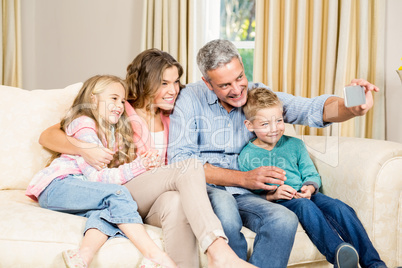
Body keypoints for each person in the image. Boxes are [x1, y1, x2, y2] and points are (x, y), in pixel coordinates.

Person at [167, 39, 380, 267]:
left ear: (242, 66)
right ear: (208, 84)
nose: (238, 90)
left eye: (240, 77)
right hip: (211, 189)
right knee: (227, 218)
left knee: (283, 219)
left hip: (250, 195)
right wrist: (243, 178)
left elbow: (309, 109)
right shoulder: (190, 99)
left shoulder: (257, 95)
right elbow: (181, 162)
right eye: (225, 85)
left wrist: (351, 107)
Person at [38, 49, 256, 268]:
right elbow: (48, 135)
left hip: (154, 198)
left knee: (175, 202)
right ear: (145, 84)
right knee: (188, 166)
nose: (173, 90)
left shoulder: (175, 113)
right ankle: (217, 250)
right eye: (163, 83)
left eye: (176, 82)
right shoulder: (120, 108)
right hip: (123, 187)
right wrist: (85, 148)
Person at [26, 75, 177, 268]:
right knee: (118, 194)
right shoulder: (84, 123)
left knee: (108, 210)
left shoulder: (109, 132)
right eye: (113, 98)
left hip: (76, 188)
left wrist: (143, 165)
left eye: (122, 100)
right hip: (59, 185)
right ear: (93, 99)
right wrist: (139, 166)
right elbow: (98, 178)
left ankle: (81, 258)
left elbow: (99, 178)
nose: (120, 105)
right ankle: (155, 255)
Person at [238, 87, 387, 268]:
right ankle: (339, 254)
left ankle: (375, 264)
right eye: (264, 124)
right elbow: (248, 197)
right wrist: (273, 195)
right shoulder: (247, 156)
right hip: (280, 202)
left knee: (340, 208)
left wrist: (309, 187)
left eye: (278, 121)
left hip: (308, 194)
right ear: (249, 125)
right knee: (304, 206)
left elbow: (310, 173)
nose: (274, 129)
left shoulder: (295, 145)